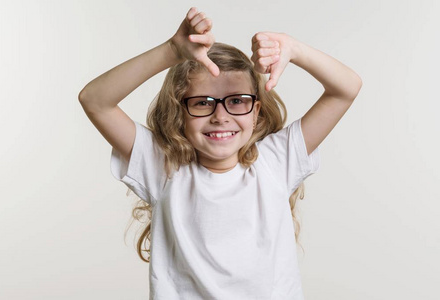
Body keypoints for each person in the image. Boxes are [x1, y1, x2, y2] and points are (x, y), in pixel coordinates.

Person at [79, 7, 362, 300]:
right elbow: (95, 101)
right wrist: (172, 50)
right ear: (180, 113)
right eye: (203, 103)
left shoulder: (277, 161)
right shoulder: (163, 167)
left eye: (237, 101)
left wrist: (295, 49)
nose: (220, 116)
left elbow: (346, 88)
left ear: (256, 112)